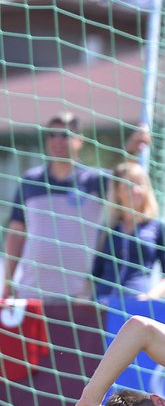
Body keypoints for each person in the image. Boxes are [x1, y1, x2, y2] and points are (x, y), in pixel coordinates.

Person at [1, 112, 107, 303]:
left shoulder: (96, 181)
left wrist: (131, 153)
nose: (57, 141)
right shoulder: (30, 181)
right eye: (52, 135)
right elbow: (16, 233)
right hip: (32, 293)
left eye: (65, 135)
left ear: (79, 140)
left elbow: (128, 185)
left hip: (79, 297)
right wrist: (8, 284)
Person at [91, 161, 165, 306]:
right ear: (117, 191)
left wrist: (150, 296)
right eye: (128, 185)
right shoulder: (108, 229)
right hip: (103, 305)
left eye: (140, 184)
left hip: (138, 306)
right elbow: (95, 274)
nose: (135, 190)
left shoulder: (159, 227)